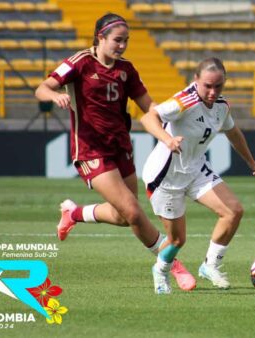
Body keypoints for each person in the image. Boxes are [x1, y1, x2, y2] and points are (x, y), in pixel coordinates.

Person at [34, 13, 196, 291]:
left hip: (121, 146)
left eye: (126, 41)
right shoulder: (80, 62)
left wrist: (171, 122)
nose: (122, 46)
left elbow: (149, 106)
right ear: (100, 37)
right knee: (133, 212)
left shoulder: (126, 69)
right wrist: (55, 95)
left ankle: (73, 214)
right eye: (117, 40)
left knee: (124, 215)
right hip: (90, 148)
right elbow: (42, 88)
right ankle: (172, 266)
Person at [140, 57, 255, 294]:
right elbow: (148, 117)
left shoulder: (221, 105)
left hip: (195, 169)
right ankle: (161, 270)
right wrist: (167, 139)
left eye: (218, 86)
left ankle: (210, 265)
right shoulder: (184, 101)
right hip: (165, 177)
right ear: (195, 80)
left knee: (233, 211)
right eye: (207, 85)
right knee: (177, 240)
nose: (212, 91)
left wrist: (251, 161)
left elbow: (233, 132)